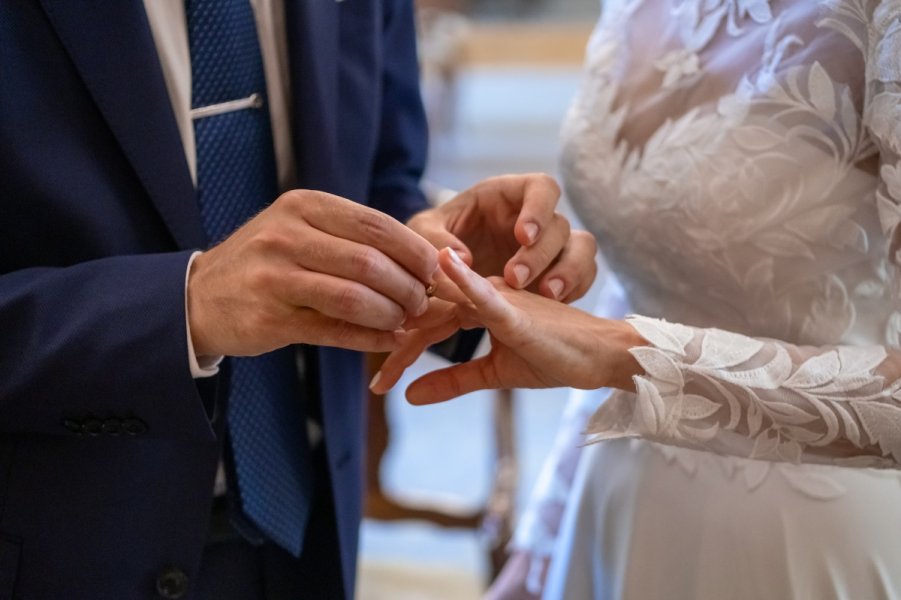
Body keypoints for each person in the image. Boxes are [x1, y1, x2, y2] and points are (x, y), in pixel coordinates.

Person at [0, 1, 597, 599]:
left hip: (307, 530)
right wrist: (185, 308)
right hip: (56, 542)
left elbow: (378, 175)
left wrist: (445, 259)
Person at [374, 1, 901, 598]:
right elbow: (655, 276)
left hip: (804, 543)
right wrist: (542, 540)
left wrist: (628, 356)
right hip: (614, 497)